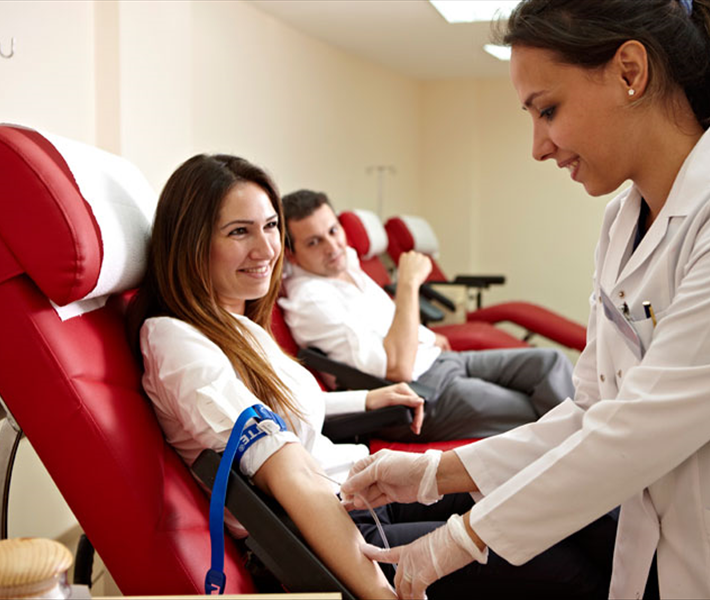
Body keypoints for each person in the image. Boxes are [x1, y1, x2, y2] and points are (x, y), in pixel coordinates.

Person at [341, 1, 710, 598]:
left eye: (548, 110)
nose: (538, 146)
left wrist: (462, 537)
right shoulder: (623, 219)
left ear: (630, 71)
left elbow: (641, 428)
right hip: (658, 557)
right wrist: (432, 472)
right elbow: (591, 412)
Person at [127, 153, 617, 598]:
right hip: (340, 528)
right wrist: (381, 595)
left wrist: (367, 400)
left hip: (361, 488)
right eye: (239, 232)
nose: (265, 249)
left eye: (270, 226)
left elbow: (278, 409)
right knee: (560, 558)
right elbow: (291, 474)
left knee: (574, 501)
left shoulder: (235, 323)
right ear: (191, 243)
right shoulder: (176, 341)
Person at [279, 190, 576, 442]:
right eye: (314, 242)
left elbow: (387, 320)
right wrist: (408, 283)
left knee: (551, 363)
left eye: (333, 231)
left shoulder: (348, 266)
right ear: (291, 254)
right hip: (418, 394)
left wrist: (428, 335)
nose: (333, 247)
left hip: (441, 361)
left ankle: (583, 452)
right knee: (536, 411)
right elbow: (399, 370)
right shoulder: (312, 300)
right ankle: (585, 466)